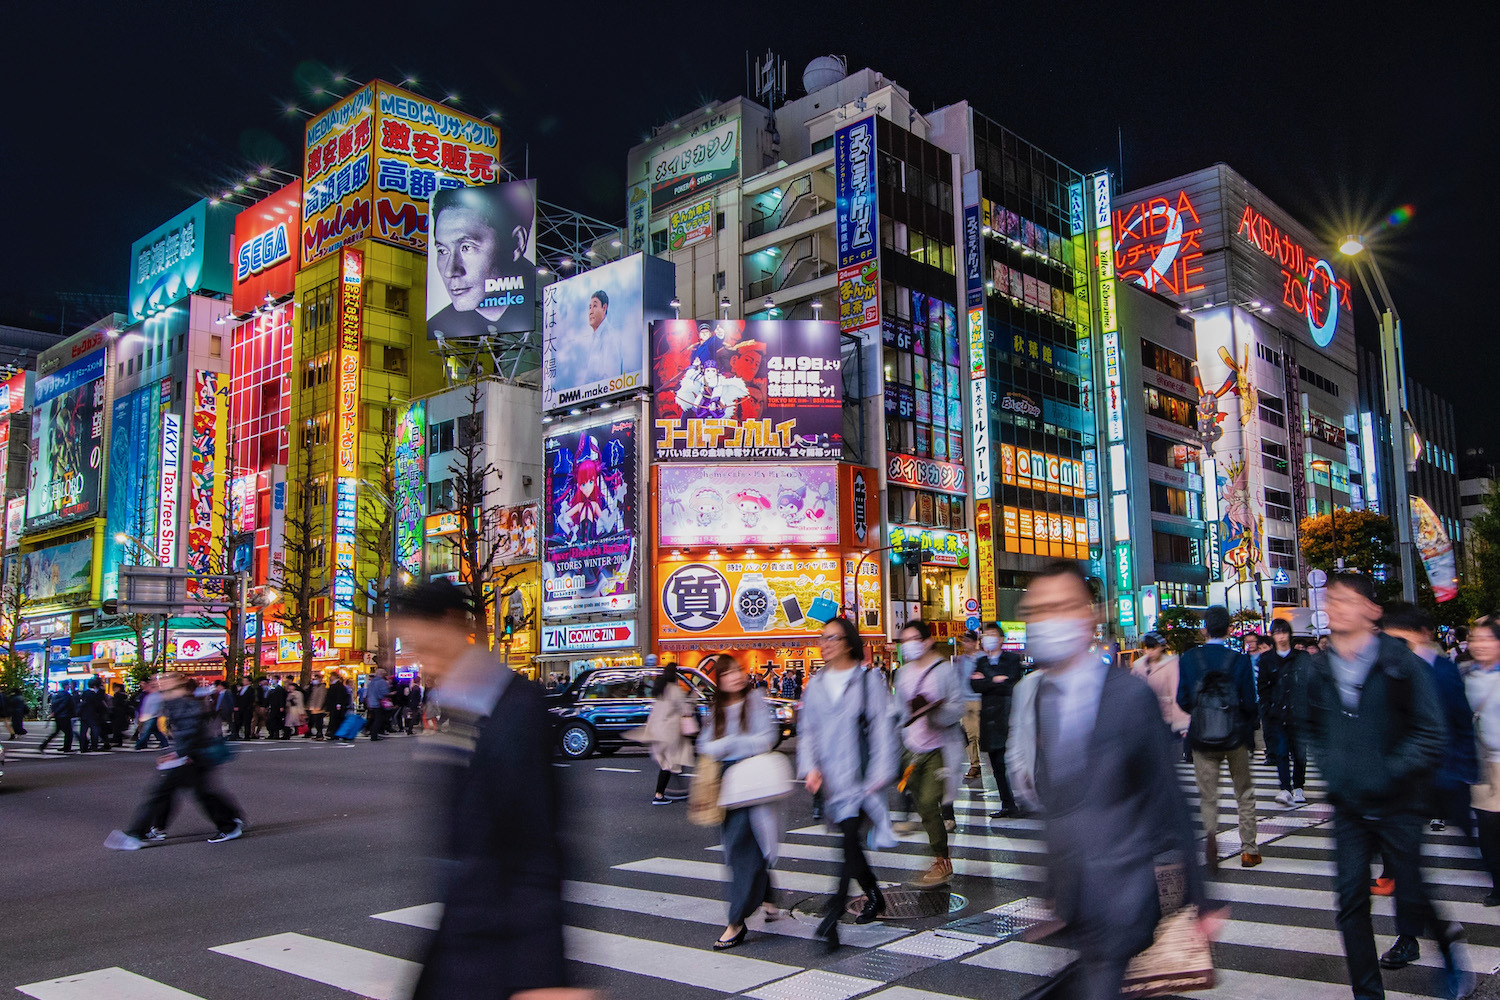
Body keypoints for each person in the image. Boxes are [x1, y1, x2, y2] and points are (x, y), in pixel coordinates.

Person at [1006, 561, 1213, 1000]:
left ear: (1088, 615)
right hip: (1076, 897)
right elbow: (1057, 803)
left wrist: (1201, 899)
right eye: (1037, 611)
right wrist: (1052, 889)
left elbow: (1169, 799)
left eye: (1059, 606)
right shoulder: (1042, 694)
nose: (1046, 621)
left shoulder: (1128, 695)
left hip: (1125, 891)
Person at [389, 581, 570, 1000]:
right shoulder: (452, 704)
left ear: (453, 624)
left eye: (425, 642)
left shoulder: (516, 706)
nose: (420, 658)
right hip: (463, 932)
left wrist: (543, 974)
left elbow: (538, 845)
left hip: (501, 945)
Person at [1301, 573, 1467, 998]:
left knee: (1411, 892)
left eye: (1346, 599)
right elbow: (1311, 728)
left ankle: (1447, 945)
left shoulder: (1399, 661)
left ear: (1372, 611)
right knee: (1351, 904)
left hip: (1399, 801)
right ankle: (1368, 994)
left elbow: (1431, 732)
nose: (1335, 606)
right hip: (1350, 805)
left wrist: (1389, 771)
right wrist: (1334, 768)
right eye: (1331, 598)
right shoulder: (1318, 667)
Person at [799, 616, 898, 951]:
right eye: (822, 638)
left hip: (861, 778)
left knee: (846, 843)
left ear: (847, 642)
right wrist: (810, 767)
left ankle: (831, 916)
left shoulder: (868, 680)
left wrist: (881, 771)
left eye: (832, 638)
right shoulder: (815, 685)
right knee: (849, 843)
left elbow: (882, 729)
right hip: (831, 779)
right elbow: (807, 731)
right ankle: (873, 894)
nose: (824, 643)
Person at [696, 653, 783, 950]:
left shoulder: (755, 700)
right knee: (745, 845)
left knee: (740, 848)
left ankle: (736, 921)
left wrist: (732, 744)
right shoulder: (716, 708)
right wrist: (726, 745)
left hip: (752, 779)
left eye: (738, 671)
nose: (735, 677)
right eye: (727, 673)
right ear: (719, 681)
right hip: (725, 783)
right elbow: (704, 744)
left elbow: (767, 738)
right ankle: (768, 896)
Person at [104, 672, 246, 850]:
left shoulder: (185, 701)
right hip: (191, 754)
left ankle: (137, 833)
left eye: (165, 681)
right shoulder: (176, 701)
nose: (161, 684)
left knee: (164, 792)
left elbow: (192, 730)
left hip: (192, 755)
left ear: (176, 685)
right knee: (198, 793)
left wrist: (180, 753)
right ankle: (230, 822)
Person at [1176, 605, 1261, 870]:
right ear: (1229, 630)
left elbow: (1183, 699)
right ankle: (1249, 850)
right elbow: (1250, 702)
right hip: (1235, 736)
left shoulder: (1189, 659)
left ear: (1204, 630)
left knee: (1208, 795)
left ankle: (1211, 839)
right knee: (1244, 792)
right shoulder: (1240, 660)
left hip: (1202, 737)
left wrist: (1202, 713)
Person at [894, 619, 965, 887]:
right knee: (923, 804)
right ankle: (940, 858)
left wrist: (935, 711)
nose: (908, 645)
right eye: (904, 641)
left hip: (939, 747)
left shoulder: (944, 671)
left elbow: (958, 707)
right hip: (913, 747)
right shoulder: (902, 673)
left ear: (926, 641)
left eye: (913, 639)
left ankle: (942, 860)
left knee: (929, 800)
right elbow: (900, 709)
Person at [427, 184, 535, 340]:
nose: (450, 271)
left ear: (517, 243)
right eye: (443, 251)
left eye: (467, 247)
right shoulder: (437, 327)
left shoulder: (548, 306)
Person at [1463, 614, 1500, 906]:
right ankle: (1498, 883)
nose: (1481, 644)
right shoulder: (1464, 674)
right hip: (1481, 763)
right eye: (1476, 638)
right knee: (1487, 829)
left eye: (1489, 638)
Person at [970, 621, 1024, 818]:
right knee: (998, 767)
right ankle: (1007, 803)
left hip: (1009, 716)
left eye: (992, 634)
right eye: (986, 634)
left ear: (1001, 639)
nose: (988, 637)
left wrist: (985, 680)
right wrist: (994, 680)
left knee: (1017, 763)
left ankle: (1027, 799)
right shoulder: (981, 661)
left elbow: (1010, 683)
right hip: (989, 720)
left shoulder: (1011, 659)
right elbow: (974, 686)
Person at [1258, 619, 1309, 807]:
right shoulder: (1267, 660)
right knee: (1280, 751)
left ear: (1289, 634)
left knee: (1299, 752)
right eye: (1277, 633)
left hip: (1299, 712)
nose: (1281, 636)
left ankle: (1298, 787)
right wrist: (1267, 708)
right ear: (1272, 636)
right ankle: (1285, 787)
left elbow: (1309, 685)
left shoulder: (1301, 657)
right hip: (1277, 712)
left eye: (1284, 632)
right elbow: (1262, 687)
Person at [1131, 632, 1190, 763]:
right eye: (1148, 647)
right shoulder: (1138, 666)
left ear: (1161, 647)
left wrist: (1182, 724)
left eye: (1154, 647)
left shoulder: (1172, 664)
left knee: (1165, 757)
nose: (1150, 651)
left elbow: (1176, 693)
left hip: (1166, 718)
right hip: (1143, 718)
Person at [643, 662, 695, 805]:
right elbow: (685, 709)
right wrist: (692, 698)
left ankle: (671, 790)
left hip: (658, 731)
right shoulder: (674, 690)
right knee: (669, 763)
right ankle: (659, 795)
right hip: (669, 732)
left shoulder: (661, 690)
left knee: (669, 762)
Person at [956, 630, 983, 781]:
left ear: (974, 642)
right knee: (969, 735)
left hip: (980, 700)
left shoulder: (982, 658)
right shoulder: (961, 660)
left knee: (979, 735)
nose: (964, 644)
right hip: (965, 701)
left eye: (967, 641)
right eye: (963, 641)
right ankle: (975, 765)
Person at [134, 677, 171, 751]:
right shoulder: (150, 695)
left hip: (151, 716)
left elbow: (155, 707)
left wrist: (146, 715)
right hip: (150, 715)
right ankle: (164, 743)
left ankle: (139, 745)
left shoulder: (155, 696)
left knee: (146, 731)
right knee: (155, 730)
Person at [39, 683, 76, 753]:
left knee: (57, 732)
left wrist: (54, 712)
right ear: (66, 686)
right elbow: (64, 705)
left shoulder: (57, 694)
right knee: (69, 733)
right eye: (68, 685)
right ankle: (67, 747)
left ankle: (44, 744)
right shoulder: (67, 695)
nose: (69, 686)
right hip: (64, 715)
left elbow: (54, 704)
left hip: (58, 716)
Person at [77, 677, 109, 753]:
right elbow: (98, 705)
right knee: (95, 729)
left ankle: (82, 747)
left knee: (83, 731)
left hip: (84, 714)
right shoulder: (94, 695)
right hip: (92, 714)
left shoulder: (84, 693)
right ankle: (94, 745)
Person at [365, 667, 391, 740]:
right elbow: (384, 693)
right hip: (379, 703)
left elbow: (367, 693)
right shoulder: (382, 682)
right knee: (379, 719)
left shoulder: (371, 682)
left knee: (373, 718)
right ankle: (374, 735)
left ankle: (370, 731)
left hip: (372, 702)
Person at [327, 673, 352, 740]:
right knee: (337, 720)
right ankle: (336, 733)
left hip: (336, 705)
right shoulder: (337, 685)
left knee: (336, 719)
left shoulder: (338, 686)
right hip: (336, 705)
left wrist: (338, 704)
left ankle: (335, 733)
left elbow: (339, 696)